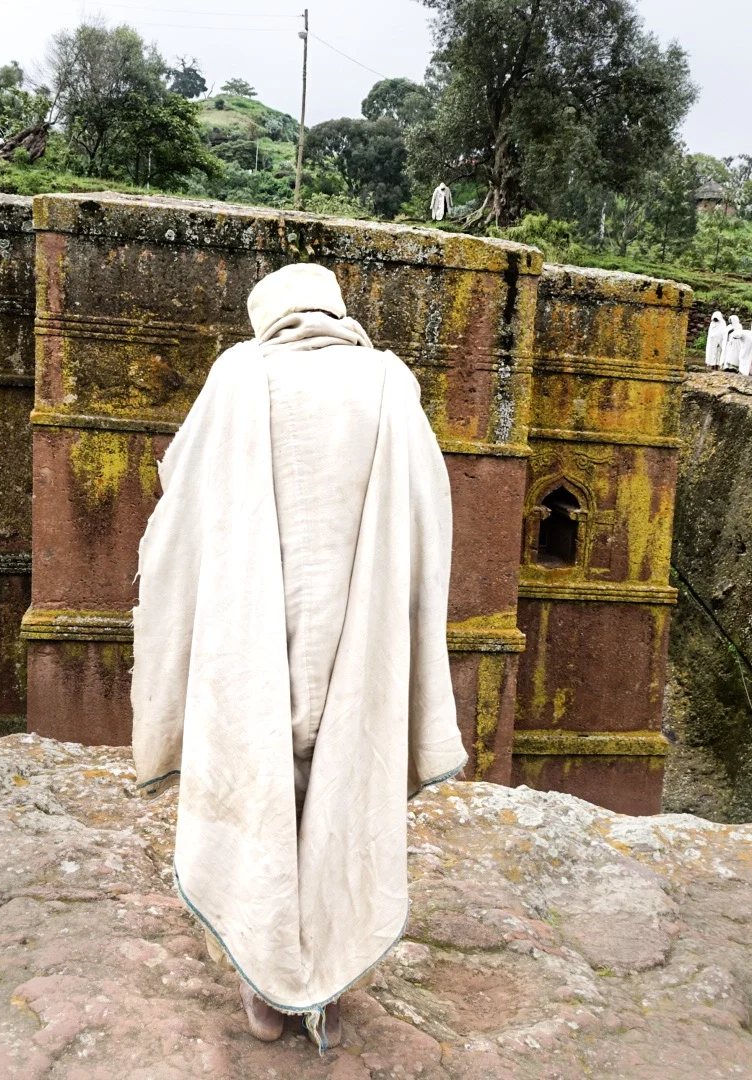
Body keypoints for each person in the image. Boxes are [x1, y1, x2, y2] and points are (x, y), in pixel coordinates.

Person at [132, 263, 468, 1051]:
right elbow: (430, 512)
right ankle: (326, 980)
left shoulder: (237, 375)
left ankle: (265, 985)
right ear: (335, 311)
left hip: (252, 621)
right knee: (346, 790)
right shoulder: (390, 382)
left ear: (270, 315)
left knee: (260, 788)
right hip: (361, 623)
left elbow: (184, 493)